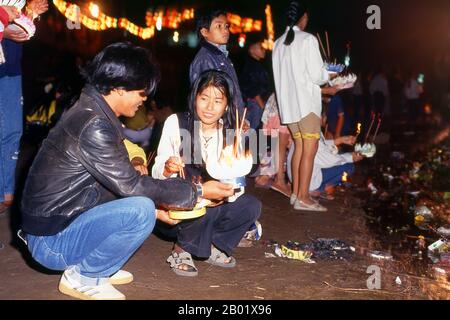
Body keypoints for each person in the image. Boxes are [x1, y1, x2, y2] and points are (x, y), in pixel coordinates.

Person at [20, 43, 234, 300]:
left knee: (143, 205)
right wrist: (197, 190)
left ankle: (99, 266)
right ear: (119, 88)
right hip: (51, 241)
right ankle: (85, 275)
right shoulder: (93, 124)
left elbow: (114, 180)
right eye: (142, 93)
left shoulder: (93, 110)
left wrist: (159, 209)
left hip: (59, 224)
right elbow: (132, 185)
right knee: (140, 207)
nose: (145, 100)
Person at [152, 70, 261, 277]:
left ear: (227, 104)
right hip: (177, 211)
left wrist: (246, 145)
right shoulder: (177, 123)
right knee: (202, 203)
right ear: (195, 97)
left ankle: (214, 246)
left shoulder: (231, 132)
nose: (210, 107)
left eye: (218, 101)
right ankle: (182, 250)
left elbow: (238, 178)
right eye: (204, 98)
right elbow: (157, 173)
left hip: (214, 208)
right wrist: (167, 168)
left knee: (250, 206)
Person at [272, 1, 330, 212]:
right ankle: (303, 197)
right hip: (307, 105)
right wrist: (329, 73)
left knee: (299, 147)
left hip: (289, 107)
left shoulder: (278, 43)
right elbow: (317, 76)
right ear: (303, 17)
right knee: (309, 150)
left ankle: (296, 193)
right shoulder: (307, 39)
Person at [0, 0, 48, 214]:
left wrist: (29, 14)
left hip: (10, 65)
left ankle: (4, 193)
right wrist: (3, 21)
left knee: (12, 131)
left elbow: (19, 27)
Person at [189, 9, 244, 114]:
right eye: (219, 26)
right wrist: (232, 118)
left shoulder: (222, 56)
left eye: (226, 26)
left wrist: (239, 116)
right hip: (220, 120)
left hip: (232, 118)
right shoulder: (205, 59)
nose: (226, 31)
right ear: (204, 32)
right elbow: (210, 99)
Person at [287, 135, 363, 200]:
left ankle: (311, 189)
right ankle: (318, 189)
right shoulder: (313, 129)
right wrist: (351, 157)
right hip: (307, 182)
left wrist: (340, 140)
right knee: (349, 166)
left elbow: (321, 145)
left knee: (340, 158)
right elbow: (328, 160)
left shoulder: (304, 129)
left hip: (294, 177)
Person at [239, 35, 271, 130]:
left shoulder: (256, 64)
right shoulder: (252, 66)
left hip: (257, 103)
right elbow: (253, 88)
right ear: (251, 50)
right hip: (255, 104)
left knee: (253, 132)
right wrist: (262, 106)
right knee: (252, 131)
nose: (264, 50)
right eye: (260, 48)